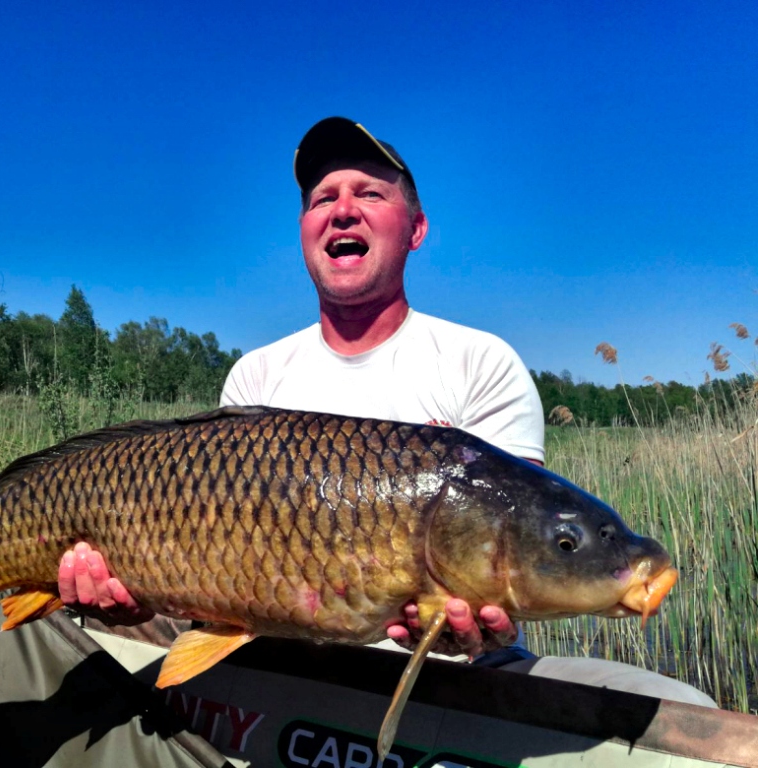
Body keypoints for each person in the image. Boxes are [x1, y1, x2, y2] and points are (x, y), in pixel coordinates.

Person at [57, 117, 716, 707]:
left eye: (370, 194)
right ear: (304, 232)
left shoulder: (479, 362)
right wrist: (131, 591)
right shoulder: (257, 374)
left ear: (416, 229)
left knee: (682, 705)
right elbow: (214, 579)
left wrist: (482, 624)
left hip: (451, 671)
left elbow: (509, 571)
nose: (343, 210)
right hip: (274, 653)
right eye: (323, 199)